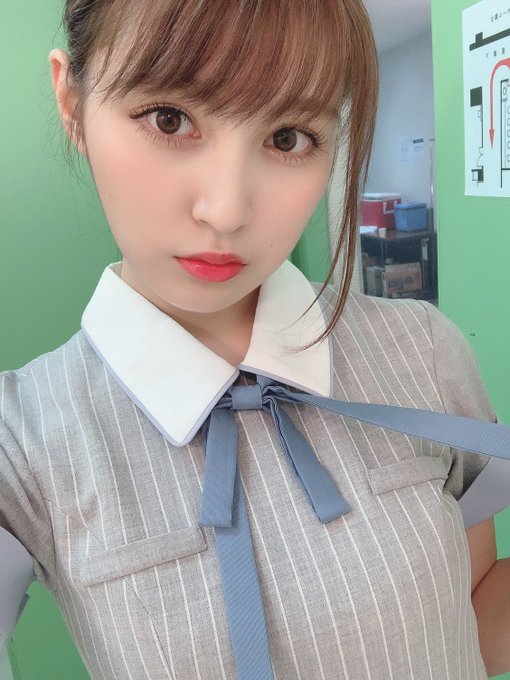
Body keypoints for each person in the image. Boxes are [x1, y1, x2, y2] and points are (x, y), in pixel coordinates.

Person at [1, 0, 509, 678]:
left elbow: (470, 608)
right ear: (72, 101)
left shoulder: (426, 350)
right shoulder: (21, 441)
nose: (227, 210)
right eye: (169, 119)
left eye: (289, 137)